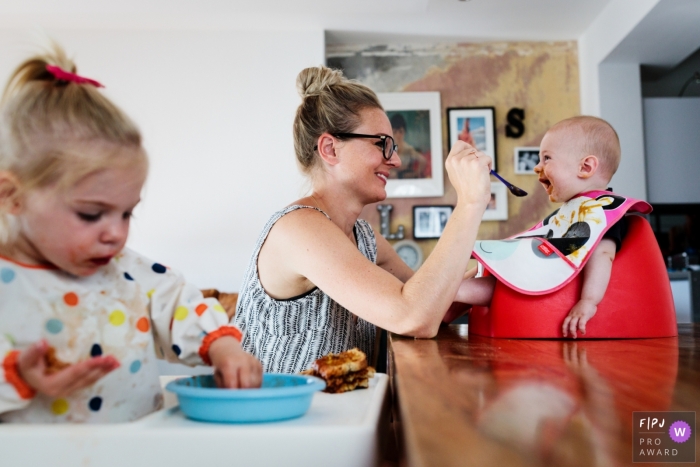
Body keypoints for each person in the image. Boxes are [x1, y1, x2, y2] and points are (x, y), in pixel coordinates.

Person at [0, 45, 261, 423]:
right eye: (91, 214)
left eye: (127, 213)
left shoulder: (126, 272)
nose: (116, 234)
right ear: (12, 196)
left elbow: (178, 305)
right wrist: (19, 376)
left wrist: (222, 347)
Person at [233, 66, 492, 373]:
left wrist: (513, 274)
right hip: (280, 418)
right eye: (381, 143)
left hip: (342, 416)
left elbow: (438, 303)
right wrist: (471, 202)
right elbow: (414, 315)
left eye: (393, 147)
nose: (395, 160)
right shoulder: (299, 229)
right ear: (330, 148)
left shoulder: (366, 239)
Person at [447, 116, 647, 338]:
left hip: (558, 289)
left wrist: (589, 301)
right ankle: (448, 303)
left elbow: (603, 256)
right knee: (489, 266)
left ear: (585, 167)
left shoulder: (601, 213)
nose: (537, 167)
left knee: (504, 283)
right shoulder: (577, 208)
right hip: (545, 274)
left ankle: (449, 291)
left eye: (546, 158)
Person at [388, 113, 427, 179]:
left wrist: (415, 173)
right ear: (391, 133)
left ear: (404, 132)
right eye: (395, 132)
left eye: (400, 132)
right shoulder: (388, 148)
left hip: (404, 177)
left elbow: (423, 160)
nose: (398, 135)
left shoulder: (408, 148)